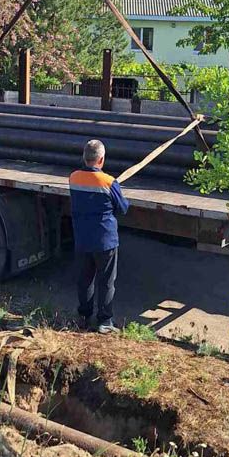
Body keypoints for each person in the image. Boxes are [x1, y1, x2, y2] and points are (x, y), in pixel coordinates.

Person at [68, 139, 130, 333]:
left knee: (85, 279)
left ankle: (84, 317)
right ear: (101, 159)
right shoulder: (109, 182)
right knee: (106, 281)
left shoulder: (73, 178)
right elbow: (123, 208)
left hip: (82, 239)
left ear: (84, 158)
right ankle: (104, 322)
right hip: (105, 241)